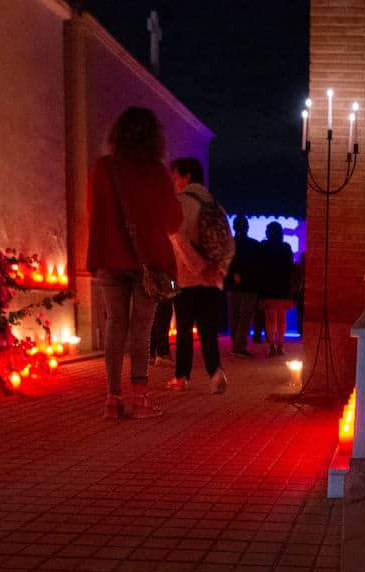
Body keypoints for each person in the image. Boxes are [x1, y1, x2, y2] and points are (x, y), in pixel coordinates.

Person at [85, 106, 182, 419]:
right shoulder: (156, 172)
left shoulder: (104, 168)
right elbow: (173, 222)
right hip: (149, 263)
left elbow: (94, 215)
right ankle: (139, 399)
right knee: (141, 331)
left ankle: (112, 399)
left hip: (110, 260)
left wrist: (95, 259)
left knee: (115, 326)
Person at [167, 157, 232, 393]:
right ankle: (215, 374)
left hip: (185, 277)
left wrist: (198, 268)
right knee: (208, 329)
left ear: (186, 177)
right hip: (213, 280)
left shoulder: (180, 202)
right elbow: (228, 244)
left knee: (184, 328)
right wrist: (218, 270)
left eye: (175, 177)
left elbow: (178, 237)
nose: (174, 182)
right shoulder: (216, 205)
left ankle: (182, 377)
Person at [256, 222, 294, 357]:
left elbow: (259, 268)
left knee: (270, 318)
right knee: (282, 317)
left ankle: (271, 346)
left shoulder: (264, 246)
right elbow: (290, 268)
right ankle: (281, 345)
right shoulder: (286, 247)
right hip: (283, 287)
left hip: (268, 286)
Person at [225, 216, 261, 359]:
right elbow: (258, 267)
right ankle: (239, 346)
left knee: (234, 316)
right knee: (245, 317)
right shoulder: (254, 244)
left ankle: (237, 344)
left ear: (234, 227)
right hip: (250, 286)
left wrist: (234, 274)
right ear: (247, 227)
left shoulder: (229, 243)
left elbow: (225, 263)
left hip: (232, 286)